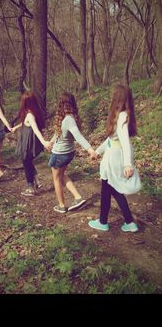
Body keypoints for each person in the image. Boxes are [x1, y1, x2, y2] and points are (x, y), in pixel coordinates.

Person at [88, 84, 141, 233]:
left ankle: (105, 222)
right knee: (110, 189)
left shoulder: (123, 116)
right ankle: (125, 222)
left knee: (109, 188)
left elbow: (124, 141)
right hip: (112, 155)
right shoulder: (121, 115)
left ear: (116, 98)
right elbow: (111, 139)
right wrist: (97, 151)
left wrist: (128, 164)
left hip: (115, 158)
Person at [49, 92, 96, 214]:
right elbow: (59, 132)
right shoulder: (67, 118)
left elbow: (78, 136)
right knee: (62, 175)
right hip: (67, 152)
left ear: (61, 104)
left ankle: (61, 206)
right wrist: (51, 141)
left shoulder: (68, 120)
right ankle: (78, 197)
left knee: (56, 179)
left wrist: (89, 149)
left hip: (60, 154)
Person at [12, 91, 52, 196]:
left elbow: (35, 130)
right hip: (26, 142)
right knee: (28, 162)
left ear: (25, 102)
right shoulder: (30, 113)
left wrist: (44, 142)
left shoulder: (30, 115)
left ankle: (30, 188)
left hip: (28, 144)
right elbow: (24, 123)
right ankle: (37, 182)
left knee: (26, 163)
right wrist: (15, 127)